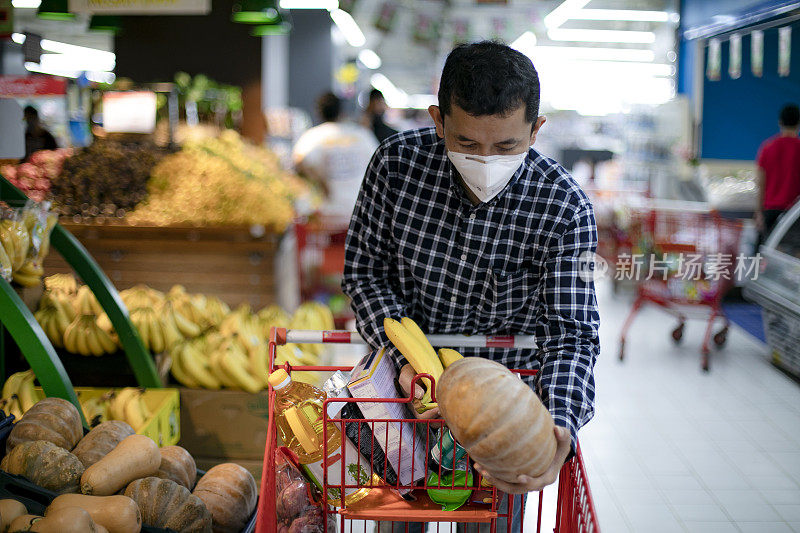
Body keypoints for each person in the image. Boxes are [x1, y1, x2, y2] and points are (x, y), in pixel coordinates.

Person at [343, 41, 599, 532]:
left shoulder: (565, 208)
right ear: (439, 120)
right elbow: (365, 273)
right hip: (403, 402)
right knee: (398, 521)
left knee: (489, 525)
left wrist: (559, 423)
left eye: (506, 147)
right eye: (467, 143)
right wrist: (408, 362)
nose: (486, 160)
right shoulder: (396, 167)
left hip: (499, 415)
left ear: (535, 129)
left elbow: (572, 332)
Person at [292, 92, 379, 218]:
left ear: (319, 112)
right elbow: (376, 163)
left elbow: (298, 162)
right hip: (359, 210)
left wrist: (320, 182)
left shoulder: (312, 137)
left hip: (326, 214)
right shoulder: (361, 135)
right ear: (341, 112)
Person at [755, 103, 800, 248]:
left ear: (780, 122)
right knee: (791, 258)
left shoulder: (767, 147)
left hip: (770, 211)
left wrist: (759, 212)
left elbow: (760, 182)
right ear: (798, 123)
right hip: (793, 215)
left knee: (763, 255)